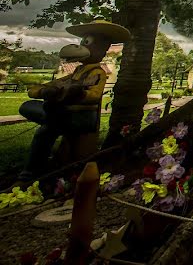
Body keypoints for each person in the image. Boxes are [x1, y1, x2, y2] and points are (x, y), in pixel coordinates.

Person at [17, 19, 131, 182]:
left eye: (89, 43)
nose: (83, 46)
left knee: (45, 131)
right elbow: (55, 84)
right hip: (64, 114)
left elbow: (94, 95)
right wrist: (43, 90)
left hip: (80, 118)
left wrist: (76, 94)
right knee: (28, 107)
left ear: (103, 49)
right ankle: (50, 120)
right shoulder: (77, 71)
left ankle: (29, 173)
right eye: (84, 41)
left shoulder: (97, 73)